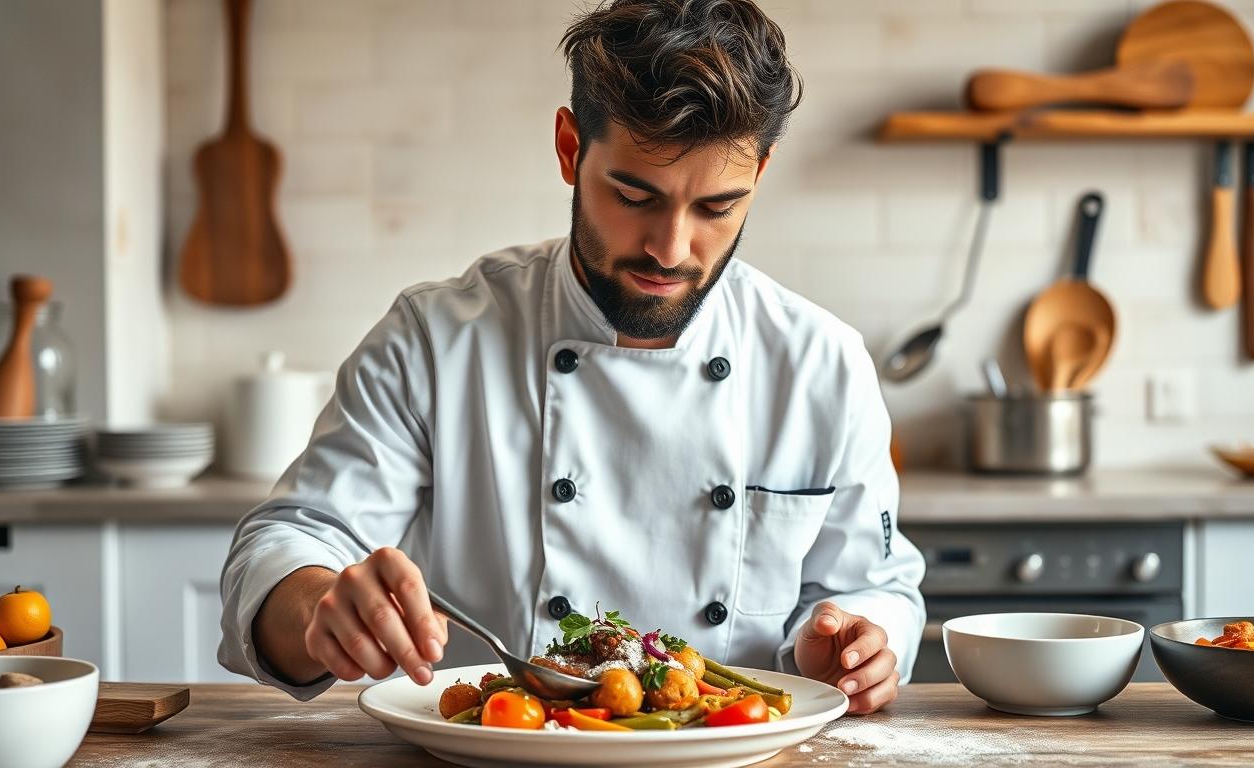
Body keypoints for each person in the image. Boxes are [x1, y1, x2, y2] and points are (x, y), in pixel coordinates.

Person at [218, 0, 925, 716]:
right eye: (633, 194)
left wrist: (851, 638)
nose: (670, 249)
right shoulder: (436, 338)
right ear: (569, 147)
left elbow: (876, 584)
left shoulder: (820, 363)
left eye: (716, 208)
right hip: (488, 756)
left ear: (761, 173)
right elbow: (289, 538)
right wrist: (319, 608)